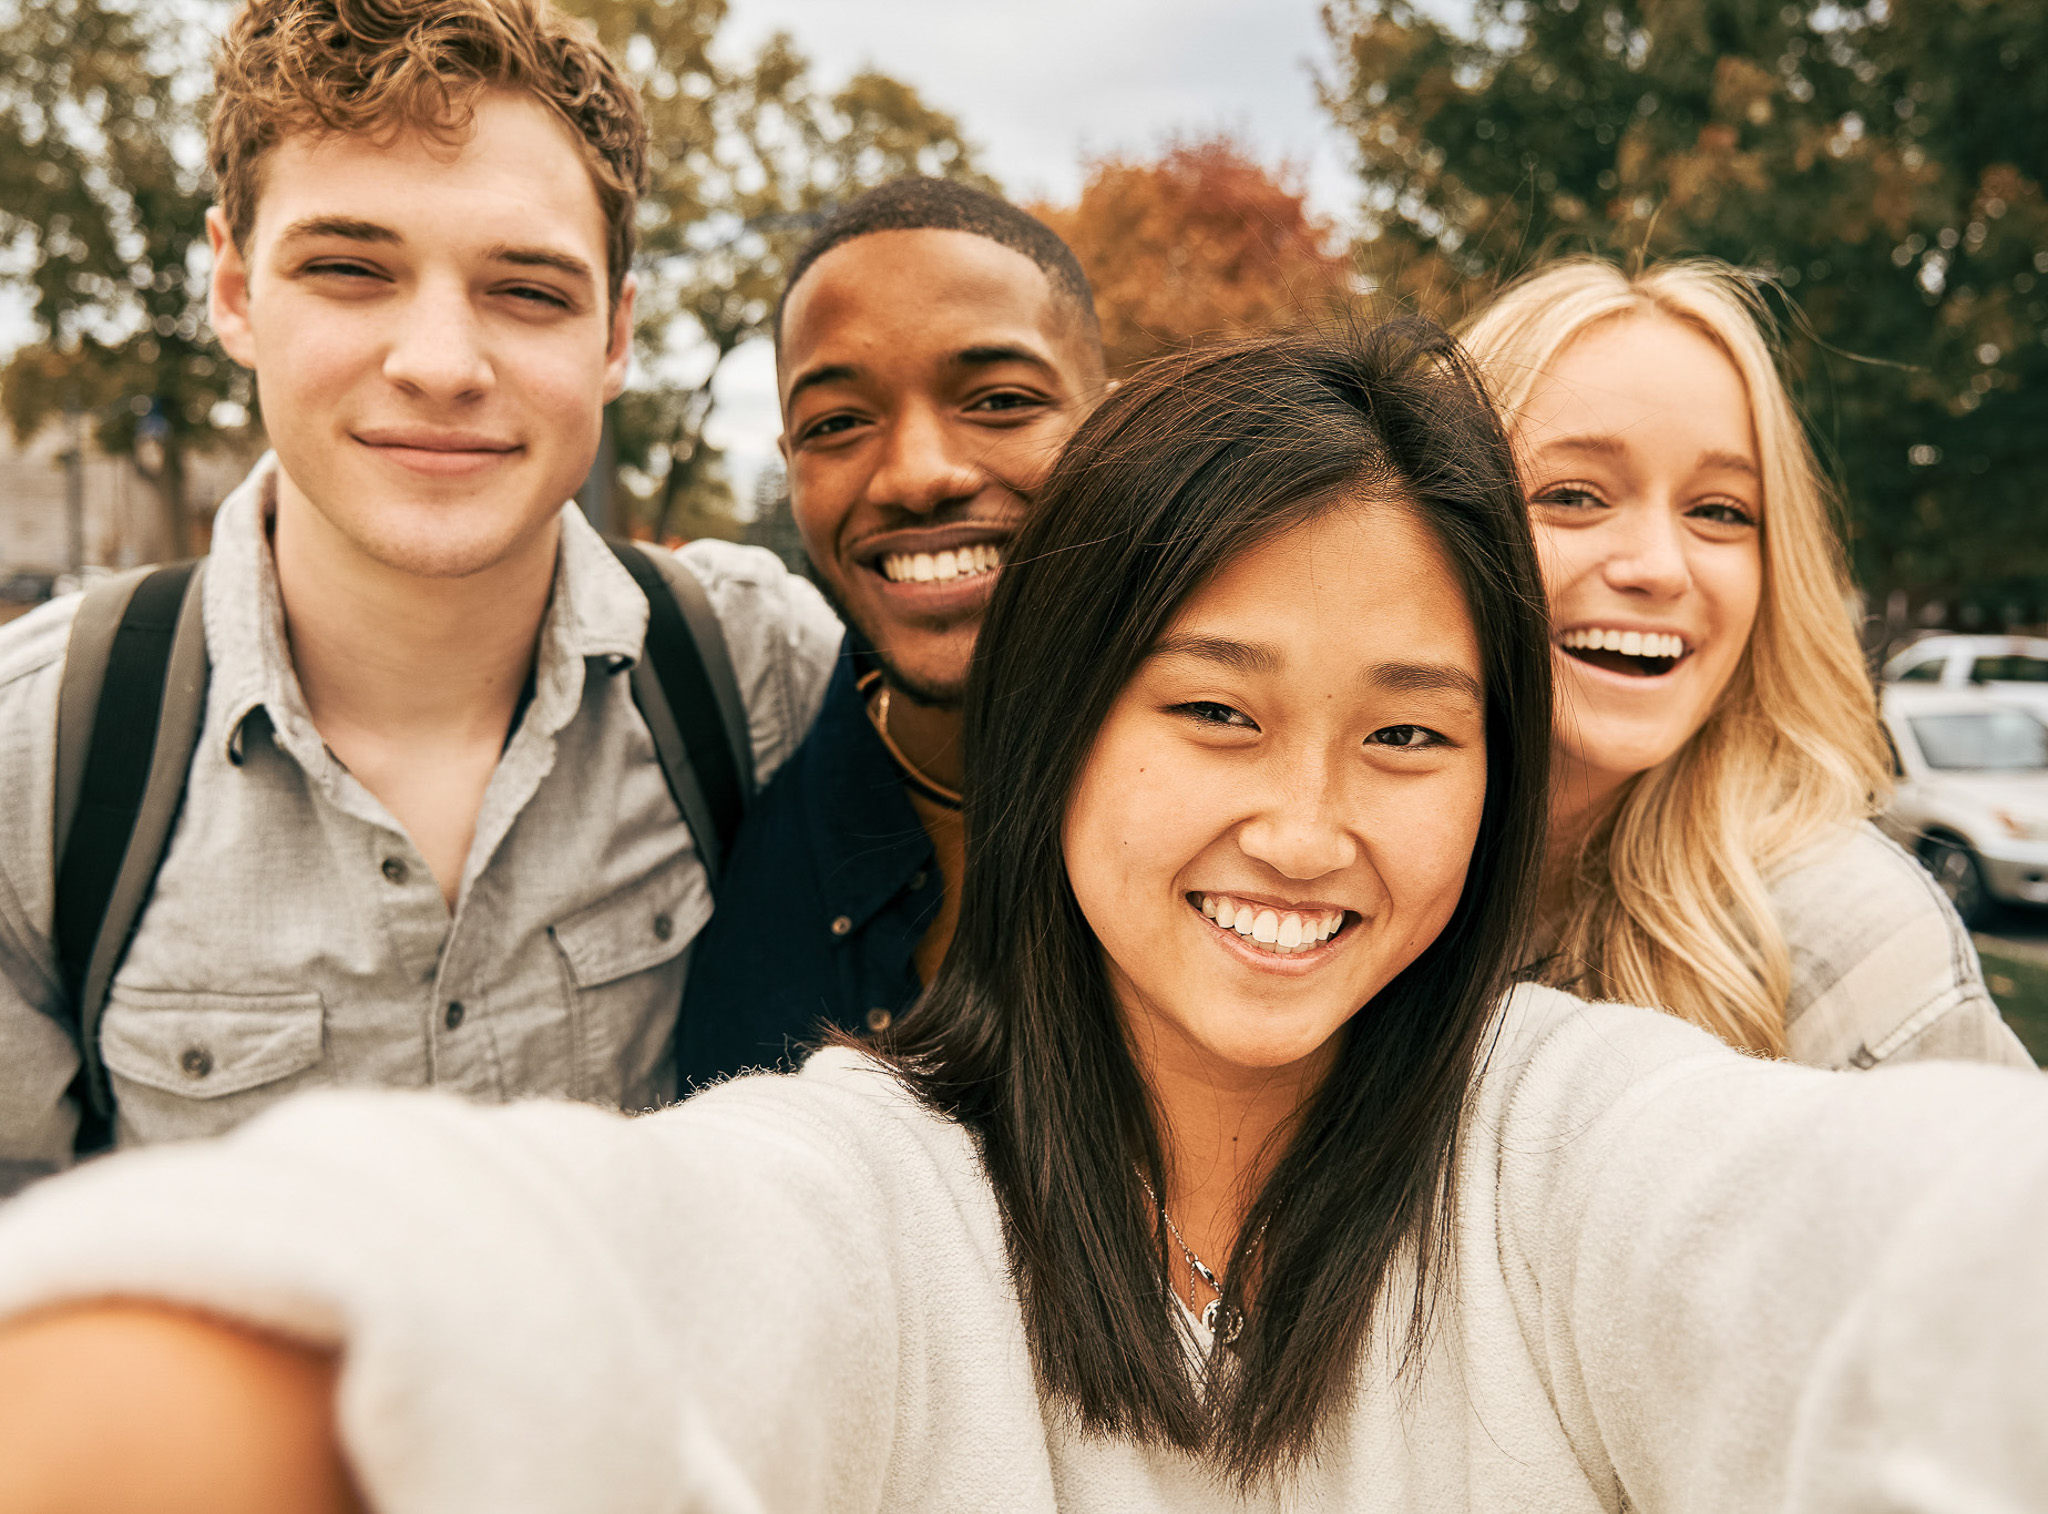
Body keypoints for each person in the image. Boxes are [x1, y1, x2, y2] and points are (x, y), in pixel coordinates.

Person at [4, 323, 2048, 1513]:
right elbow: (567, 1295)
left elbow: (1911, 1266)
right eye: (1217, 710)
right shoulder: (884, 1189)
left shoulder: (1568, 1141)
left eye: (1410, 733)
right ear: (1062, 726)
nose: (1306, 825)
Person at [0, 0, 842, 1190]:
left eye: (529, 291)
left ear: (615, 334)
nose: (440, 364)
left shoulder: (762, 670)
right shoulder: (35, 761)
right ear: (235, 292)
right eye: (349, 269)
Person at [1460, 258, 2032, 1069]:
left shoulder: (1849, 942)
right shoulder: (1335, 876)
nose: (1658, 567)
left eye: (1720, 511)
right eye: (1575, 495)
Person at [673, 179, 1107, 1083]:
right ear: (791, 466)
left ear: (1105, 419)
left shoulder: (1252, 801)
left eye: (998, 401)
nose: (917, 475)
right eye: (837, 423)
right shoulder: (737, 854)